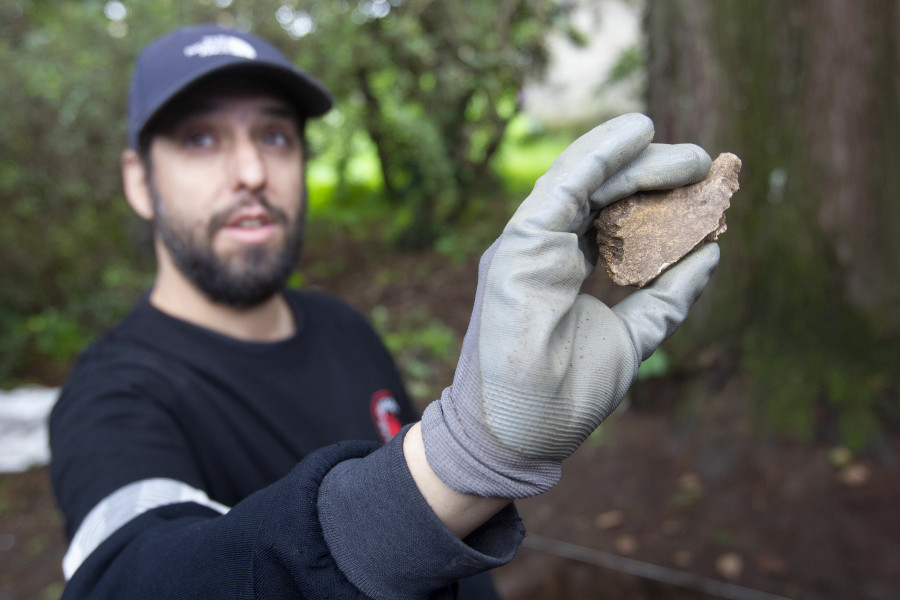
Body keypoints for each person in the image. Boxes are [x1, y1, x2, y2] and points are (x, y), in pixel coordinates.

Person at [49, 23, 720, 599]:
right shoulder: (110, 396)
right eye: (201, 139)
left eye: (276, 136)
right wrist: (467, 460)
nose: (251, 170)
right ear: (139, 180)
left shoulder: (343, 326)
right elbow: (131, 580)